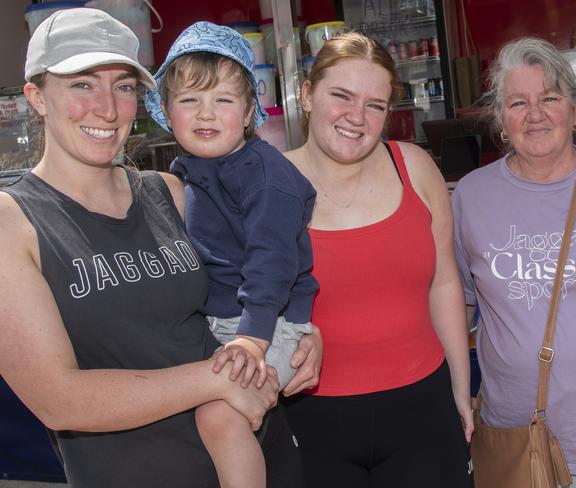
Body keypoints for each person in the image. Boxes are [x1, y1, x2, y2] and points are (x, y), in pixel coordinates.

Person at [0, 8, 321, 488]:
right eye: (82, 84)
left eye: (124, 86)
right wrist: (215, 379)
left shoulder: (171, 190)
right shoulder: (15, 222)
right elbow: (58, 399)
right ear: (36, 97)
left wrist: (300, 334)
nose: (107, 108)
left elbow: (269, 257)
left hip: (257, 455)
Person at [451, 37, 576, 486]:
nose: (535, 114)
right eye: (518, 102)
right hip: (520, 442)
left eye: (551, 99)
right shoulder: (471, 197)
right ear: (501, 118)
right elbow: (457, 304)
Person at [282, 32, 474, 487]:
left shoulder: (415, 167)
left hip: (423, 411)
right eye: (341, 96)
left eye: (375, 104)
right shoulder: (266, 184)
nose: (356, 117)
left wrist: (460, 392)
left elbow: (444, 283)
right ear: (306, 95)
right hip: (308, 417)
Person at [144, 22, 318, 488]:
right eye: (189, 101)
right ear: (165, 112)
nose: (206, 114)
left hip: (264, 323)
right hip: (219, 319)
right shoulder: (189, 171)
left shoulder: (263, 173)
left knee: (221, 418)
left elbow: (273, 261)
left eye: (223, 100)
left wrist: (253, 340)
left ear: (247, 113)